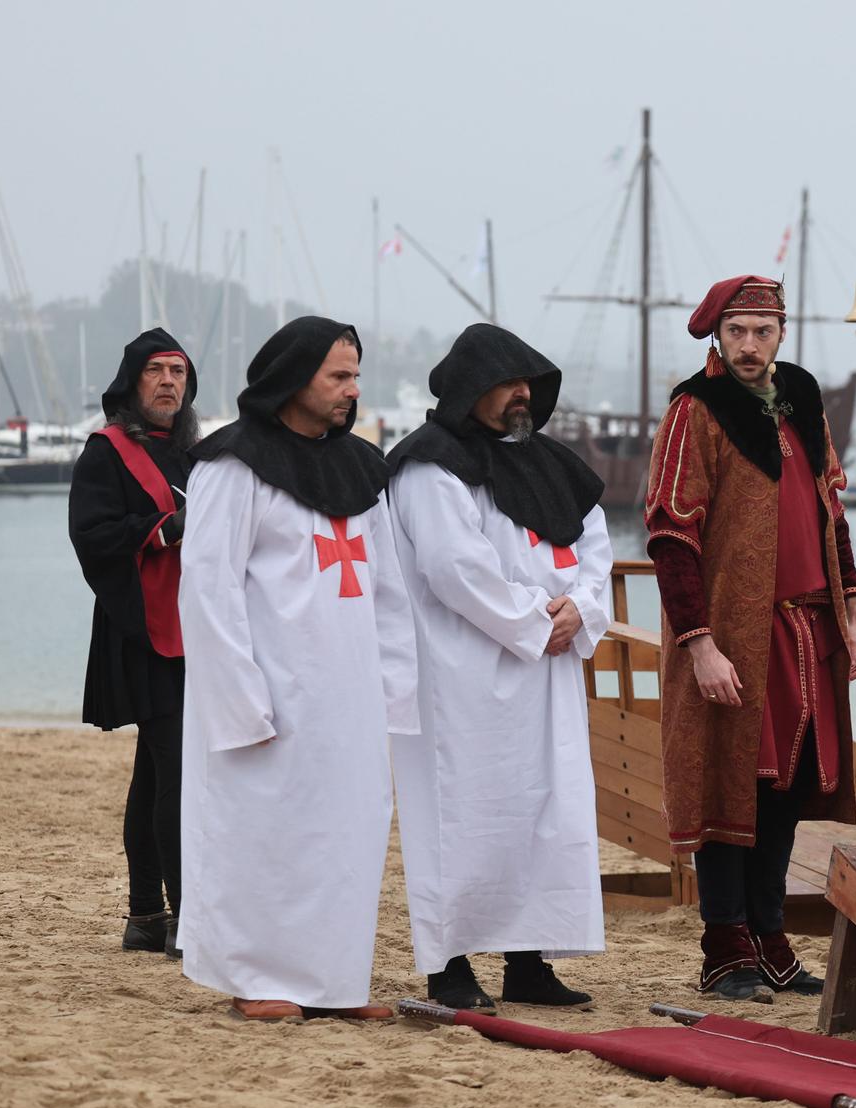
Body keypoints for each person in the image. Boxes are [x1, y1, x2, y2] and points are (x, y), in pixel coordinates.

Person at [177, 317, 419, 1023]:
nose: (353, 390)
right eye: (338, 377)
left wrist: (395, 692)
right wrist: (239, 697)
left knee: (347, 832)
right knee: (263, 834)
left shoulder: (361, 466)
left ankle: (335, 983)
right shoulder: (231, 464)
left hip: (348, 692)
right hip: (271, 686)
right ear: (294, 378)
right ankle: (258, 977)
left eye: (354, 376)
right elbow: (208, 585)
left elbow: (389, 590)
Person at [644, 275, 856, 1003]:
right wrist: (699, 643)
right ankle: (724, 945)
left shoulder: (802, 399)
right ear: (718, 334)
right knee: (727, 780)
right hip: (733, 630)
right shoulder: (694, 410)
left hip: (807, 625)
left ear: (781, 334)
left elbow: (832, 514)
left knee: (784, 786)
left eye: (762, 331)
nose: (749, 345)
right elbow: (671, 534)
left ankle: (770, 937)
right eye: (737, 331)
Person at [386, 324, 614, 1012]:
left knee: (544, 814)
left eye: (530, 385)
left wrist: (583, 608)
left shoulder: (552, 463)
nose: (523, 396)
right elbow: (455, 567)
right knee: (462, 816)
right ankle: (450, 966)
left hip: (545, 673)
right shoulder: (430, 466)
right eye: (508, 384)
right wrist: (535, 620)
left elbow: (593, 545)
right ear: (469, 389)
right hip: (463, 676)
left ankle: (528, 961)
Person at [68, 328, 198, 960]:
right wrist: (161, 529)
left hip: (193, 630)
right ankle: (189, 916)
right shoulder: (107, 450)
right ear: (133, 381)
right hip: (141, 630)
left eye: (177, 371)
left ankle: (147, 915)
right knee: (176, 775)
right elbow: (91, 535)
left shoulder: (197, 452)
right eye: (156, 371)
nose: (169, 381)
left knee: (155, 776)